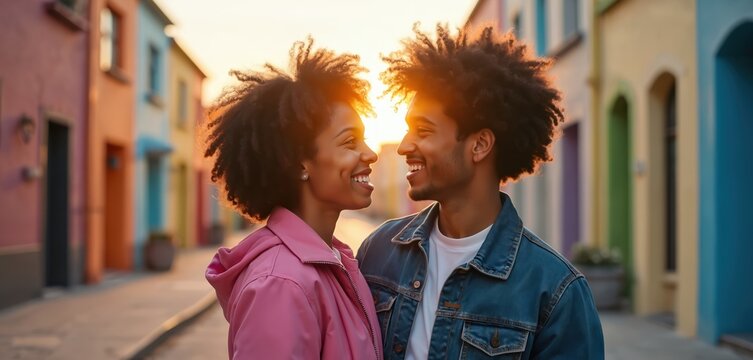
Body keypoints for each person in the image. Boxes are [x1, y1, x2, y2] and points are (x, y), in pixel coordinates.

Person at [357, 25, 604, 359]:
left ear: (480, 145)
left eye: (424, 131)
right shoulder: (377, 254)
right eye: (407, 130)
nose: (404, 146)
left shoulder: (556, 291)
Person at [204, 38, 383, 360]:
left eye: (365, 139)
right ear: (300, 163)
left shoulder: (330, 261)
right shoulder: (281, 282)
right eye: (349, 142)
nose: (369, 154)